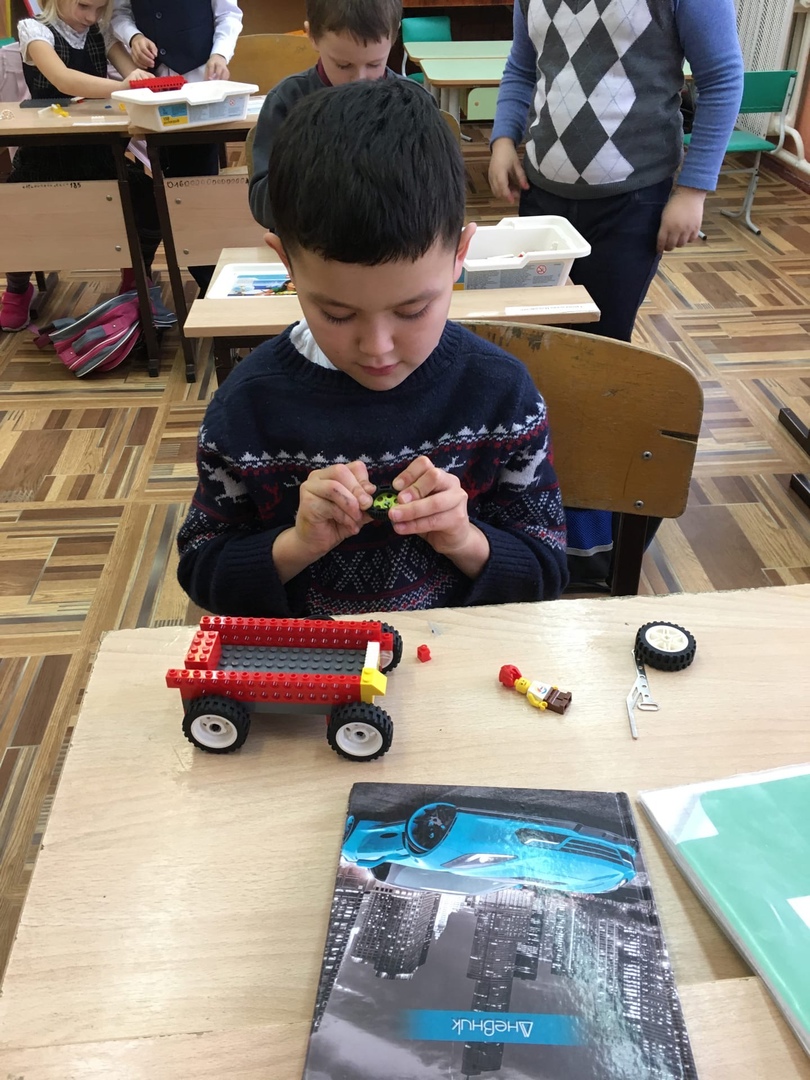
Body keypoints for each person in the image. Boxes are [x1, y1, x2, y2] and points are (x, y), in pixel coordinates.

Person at [178, 79, 568, 618]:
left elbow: (547, 571)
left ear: (460, 255)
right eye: (337, 314)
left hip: (455, 655)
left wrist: (463, 538)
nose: (378, 348)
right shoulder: (246, 408)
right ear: (286, 264)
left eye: (412, 310)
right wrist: (296, 544)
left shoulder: (502, 395)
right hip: (311, 660)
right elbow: (203, 572)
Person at [488, 0, 743, 586]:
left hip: (633, 203)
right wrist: (503, 137)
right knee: (534, 354)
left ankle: (589, 528)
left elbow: (723, 79)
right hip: (542, 198)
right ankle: (528, 500)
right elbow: (523, 66)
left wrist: (695, 188)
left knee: (598, 358)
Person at [0, 0, 159, 333]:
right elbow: (65, 80)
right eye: (84, 6)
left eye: (100, 9)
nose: (92, 17)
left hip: (98, 151)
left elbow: (129, 71)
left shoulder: (100, 32)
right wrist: (125, 86)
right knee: (14, 207)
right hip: (44, 155)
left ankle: (135, 272)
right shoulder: (34, 30)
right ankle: (17, 287)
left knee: (147, 198)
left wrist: (138, 74)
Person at [110, 0, 243, 295]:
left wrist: (220, 53)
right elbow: (119, 13)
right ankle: (152, 274)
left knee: (196, 191)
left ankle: (209, 279)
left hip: (201, 88)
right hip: (153, 93)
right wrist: (133, 36)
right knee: (164, 189)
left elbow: (229, 14)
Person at [249, 0, 402, 231]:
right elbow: (263, 206)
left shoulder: (412, 104)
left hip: (390, 244)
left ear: (394, 35)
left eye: (374, 64)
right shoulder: (287, 101)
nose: (359, 80)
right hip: (308, 245)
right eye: (343, 65)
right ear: (312, 35)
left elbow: (438, 199)